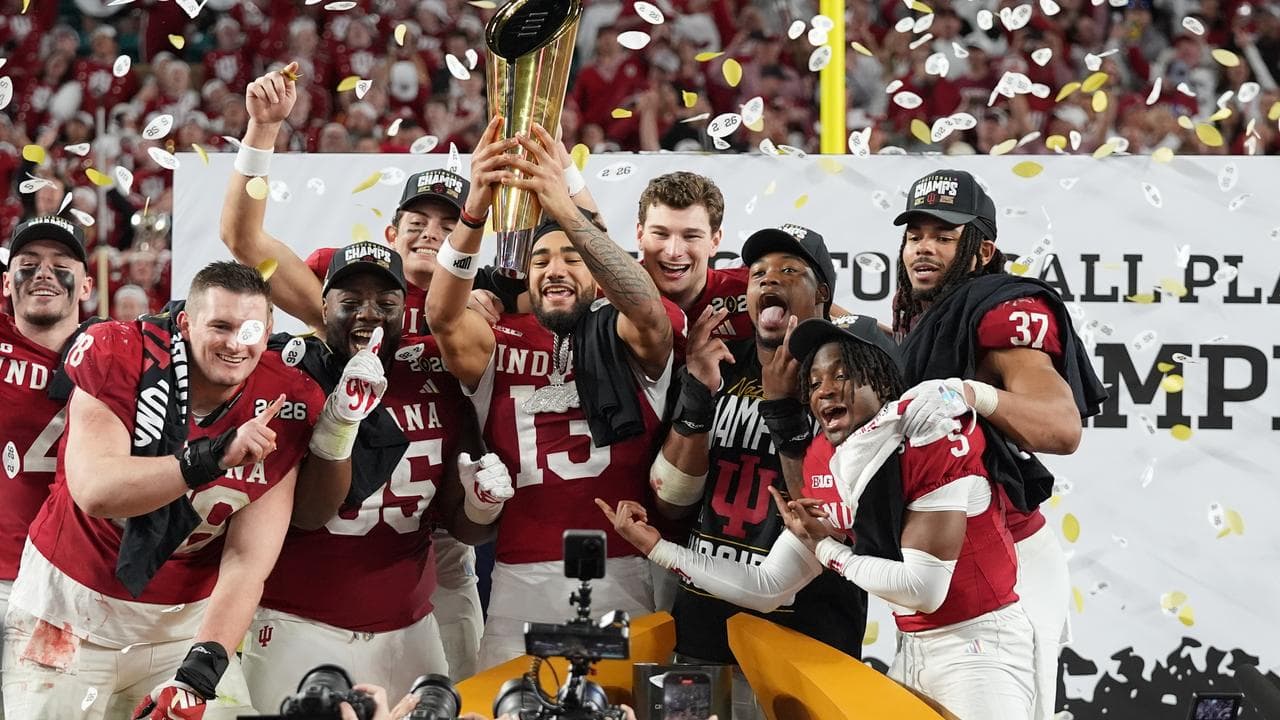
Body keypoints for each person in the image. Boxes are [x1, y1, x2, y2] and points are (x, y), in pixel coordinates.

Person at [222, 65, 513, 685]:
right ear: (391, 231)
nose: (432, 235)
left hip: (434, 535)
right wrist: (262, 131)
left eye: (449, 225)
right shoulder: (349, 289)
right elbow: (244, 239)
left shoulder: (477, 308)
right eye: (419, 223)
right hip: (337, 539)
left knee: (455, 689)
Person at [599, 314, 1036, 719]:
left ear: (883, 379)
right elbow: (767, 586)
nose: (824, 390)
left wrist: (826, 549)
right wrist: (658, 548)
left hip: (980, 645)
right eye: (813, 382)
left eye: (841, 375)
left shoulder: (930, 433)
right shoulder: (826, 460)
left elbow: (923, 589)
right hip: (913, 646)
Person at [1, 261, 329, 719]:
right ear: (185, 323)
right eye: (220, 326)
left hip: (183, 627)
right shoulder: (122, 353)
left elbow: (247, 560)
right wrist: (212, 457)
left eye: (251, 329)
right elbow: (96, 490)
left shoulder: (287, 395)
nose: (237, 343)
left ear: (269, 329)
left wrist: (199, 673)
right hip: (67, 612)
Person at [426, 119, 681, 670]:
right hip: (521, 582)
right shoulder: (499, 338)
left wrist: (565, 204)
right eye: (540, 260)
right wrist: (474, 210)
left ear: (597, 270)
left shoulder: (626, 333)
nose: (555, 269)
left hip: (624, 574)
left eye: (572, 258)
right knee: (509, 705)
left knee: (617, 705)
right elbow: (442, 317)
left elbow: (645, 308)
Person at [890, 169, 1108, 720]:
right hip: (944, 569)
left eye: (944, 236)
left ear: (982, 251)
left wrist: (974, 394)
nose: (923, 248)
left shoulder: (997, 310)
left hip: (1007, 566)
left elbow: (1062, 426)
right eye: (915, 235)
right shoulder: (927, 318)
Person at [644, 223, 865, 720]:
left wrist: (784, 410)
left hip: (806, 644)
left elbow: (826, 518)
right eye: (758, 272)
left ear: (822, 294)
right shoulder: (719, 363)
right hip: (701, 630)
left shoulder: (851, 381)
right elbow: (672, 503)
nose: (769, 279)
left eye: (790, 270)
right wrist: (697, 396)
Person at [0, 216, 95, 719]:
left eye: (61, 264)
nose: (43, 273)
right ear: (6, 282)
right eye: (28, 263)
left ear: (86, 285)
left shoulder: (119, 355)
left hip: (62, 590)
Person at [634, 172, 751, 340]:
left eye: (691, 236)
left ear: (715, 241)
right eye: (661, 234)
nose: (674, 251)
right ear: (640, 235)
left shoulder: (754, 292)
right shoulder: (606, 296)